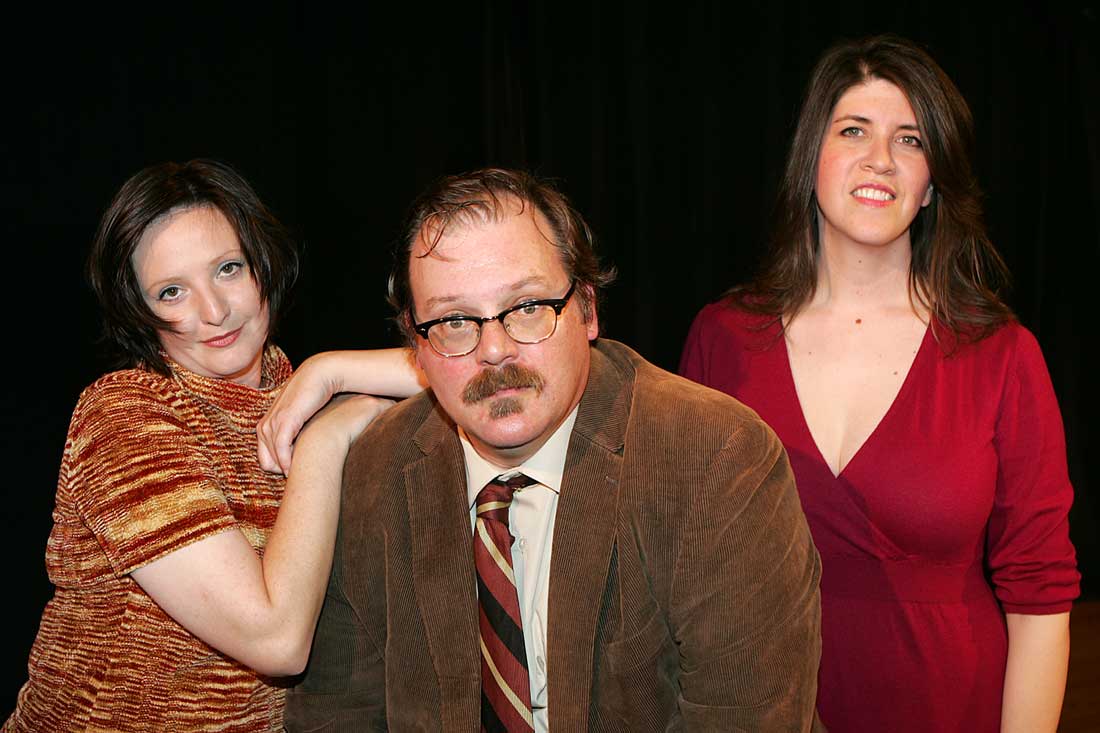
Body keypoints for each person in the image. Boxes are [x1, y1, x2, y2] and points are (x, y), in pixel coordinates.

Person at [274, 167, 824, 731]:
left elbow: (746, 719)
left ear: (587, 309)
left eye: (528, 307)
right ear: (418, 346)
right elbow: (336, 716)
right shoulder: (375, 471)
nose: (495, 349)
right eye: (455, 320)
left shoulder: (717, 458)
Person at [679, 35, 1079, 733]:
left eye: (911, 140)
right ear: (812, 159)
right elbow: (677, 562)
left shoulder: (1003, 355)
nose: (880, 160)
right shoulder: (723, 339)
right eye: (854, 130)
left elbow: (1040, 599)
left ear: (933, 185)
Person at [2, 159, 422, 732]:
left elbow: (481, 364)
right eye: (171, 291)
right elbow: (274, 641)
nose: (213, 311)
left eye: (228, 269)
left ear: (263, 266)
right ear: (138, 309)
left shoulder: (291, 391)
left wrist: (330, 369)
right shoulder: (127, 415)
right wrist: (325, 437)